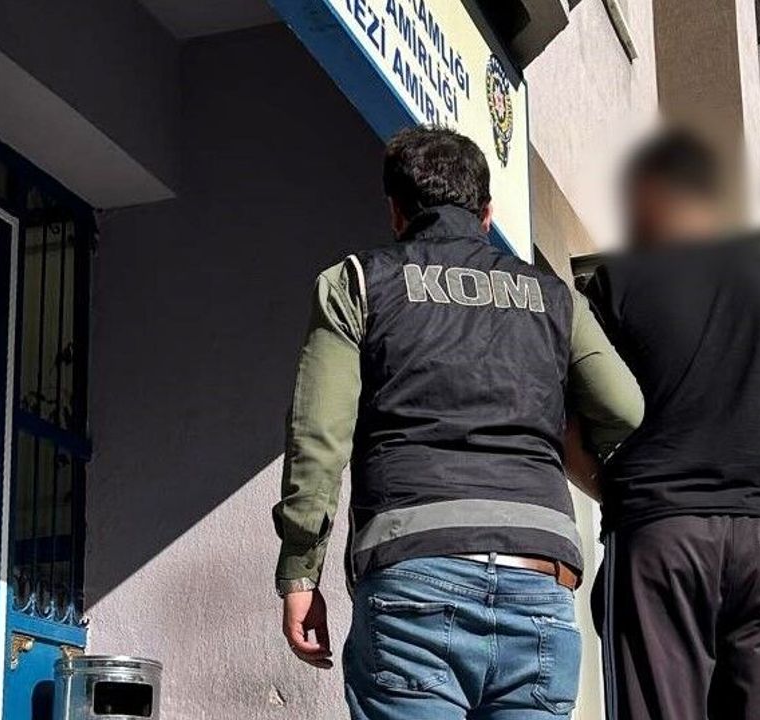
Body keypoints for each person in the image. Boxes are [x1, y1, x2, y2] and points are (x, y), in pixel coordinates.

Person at [272, 126, 643, 720]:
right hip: (540, 574)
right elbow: (624, 407)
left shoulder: (357, 282)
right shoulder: (556, 297)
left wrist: (300, 572)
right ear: (486, 213)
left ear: (396, 212)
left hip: (414, 569)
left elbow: (319, 439)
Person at [582, 130, 760, 720]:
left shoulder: (618, 282)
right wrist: (743, 480)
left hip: (658, 538)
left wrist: (620, 491)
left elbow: (569, 426)